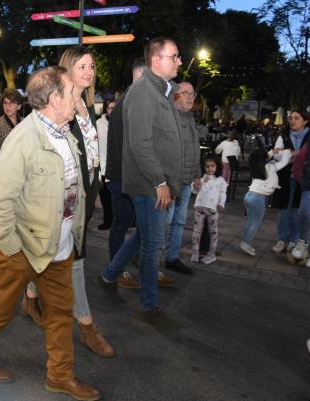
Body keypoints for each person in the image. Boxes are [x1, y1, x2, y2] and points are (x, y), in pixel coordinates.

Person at [0, 66, 100, 401]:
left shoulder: (66, 132)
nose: (76, 97)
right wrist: (12, 250)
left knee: (60, 315)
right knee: (1, 307)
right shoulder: (23, 139)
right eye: (70, 91)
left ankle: (60, 376)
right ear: (54, 98)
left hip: (59, 246)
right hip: (22, 247)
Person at [22, 46, 115, 359]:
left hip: (86, 194)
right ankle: (87, 326)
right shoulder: (57, 105)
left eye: (92, 66)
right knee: (75, 260)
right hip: (64, 196)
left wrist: (97, 183)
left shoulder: (88, 105)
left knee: (59, 254)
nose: (89, 72)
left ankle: (30, 295)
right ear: (67, 69)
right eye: (82, 66)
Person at [98, 37, 184, 329]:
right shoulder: (145, 92)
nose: (179, 61)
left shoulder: (158, 90)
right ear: (156, 60)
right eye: (174, 56)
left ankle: (110, 274)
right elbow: (140, 144)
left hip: (155, 183)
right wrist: (161, 181)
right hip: (149, 185)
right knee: (153, 243)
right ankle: (149, 303)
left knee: (144, 236)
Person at [99, 57, 146, 291]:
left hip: (126, 177)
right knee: (122, 224)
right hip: (122, 178)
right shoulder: (128, 104)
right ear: (141, 76)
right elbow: (131, 147)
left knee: (133, 225)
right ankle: (116, 269)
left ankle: (121, 266)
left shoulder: (132, 102)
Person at [164, 82, 202, 275]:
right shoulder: (169, 117)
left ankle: (171, 258)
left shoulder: (190, 118)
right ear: (174, 95)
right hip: (173, 181)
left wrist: (197, 174)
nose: (190, 97)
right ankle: (150, 256)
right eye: (185, 93)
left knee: (179, 221)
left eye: (192, 93)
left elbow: (194, 149)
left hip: (187, 180)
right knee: (165, 220)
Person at [270, 109, 310, 254]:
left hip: (303, 178)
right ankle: (281, 240)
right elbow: (276, 156)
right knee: (283, 210)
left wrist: (289, 153)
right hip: (285, 177)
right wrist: (291, 153)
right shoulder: (284, 135)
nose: (292, 121)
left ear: (305, 120)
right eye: (290, 118)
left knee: (296, 211)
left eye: (296, 118)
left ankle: (293, 241)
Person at [240, 148, 291, 256]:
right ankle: (246, 243)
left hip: (249, 196)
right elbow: (284, 162)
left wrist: (272, 151)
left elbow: (260, 157)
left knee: (250, 221)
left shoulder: (256, 167)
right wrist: (287, 152)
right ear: (264, 159)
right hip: (258, 199)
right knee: (255, 223)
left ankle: (245, 241)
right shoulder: (270, 167)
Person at [190, 157, 227, 264]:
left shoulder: (220, 180)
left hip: (213, 209)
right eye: (207, 166)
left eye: (212, 166)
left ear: (217, 166)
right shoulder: (201, 178)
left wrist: (221, 203)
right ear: (203, 167)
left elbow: (223, 193)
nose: (210, 169)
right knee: (196, 232)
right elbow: (194, 190)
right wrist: (199, 183)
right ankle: (195, 253)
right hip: (200, 207)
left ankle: (211, 254)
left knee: (213, 232)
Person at [96, 100, 115, 230]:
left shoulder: (123, 122)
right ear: (105, 109)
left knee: (119, 199)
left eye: (114, 108)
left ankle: (124, 221)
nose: (111, 110)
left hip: (118, 169)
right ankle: (107, 221)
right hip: (103, 168)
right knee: (105, 198)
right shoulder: (98, 124)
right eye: (109, 108)